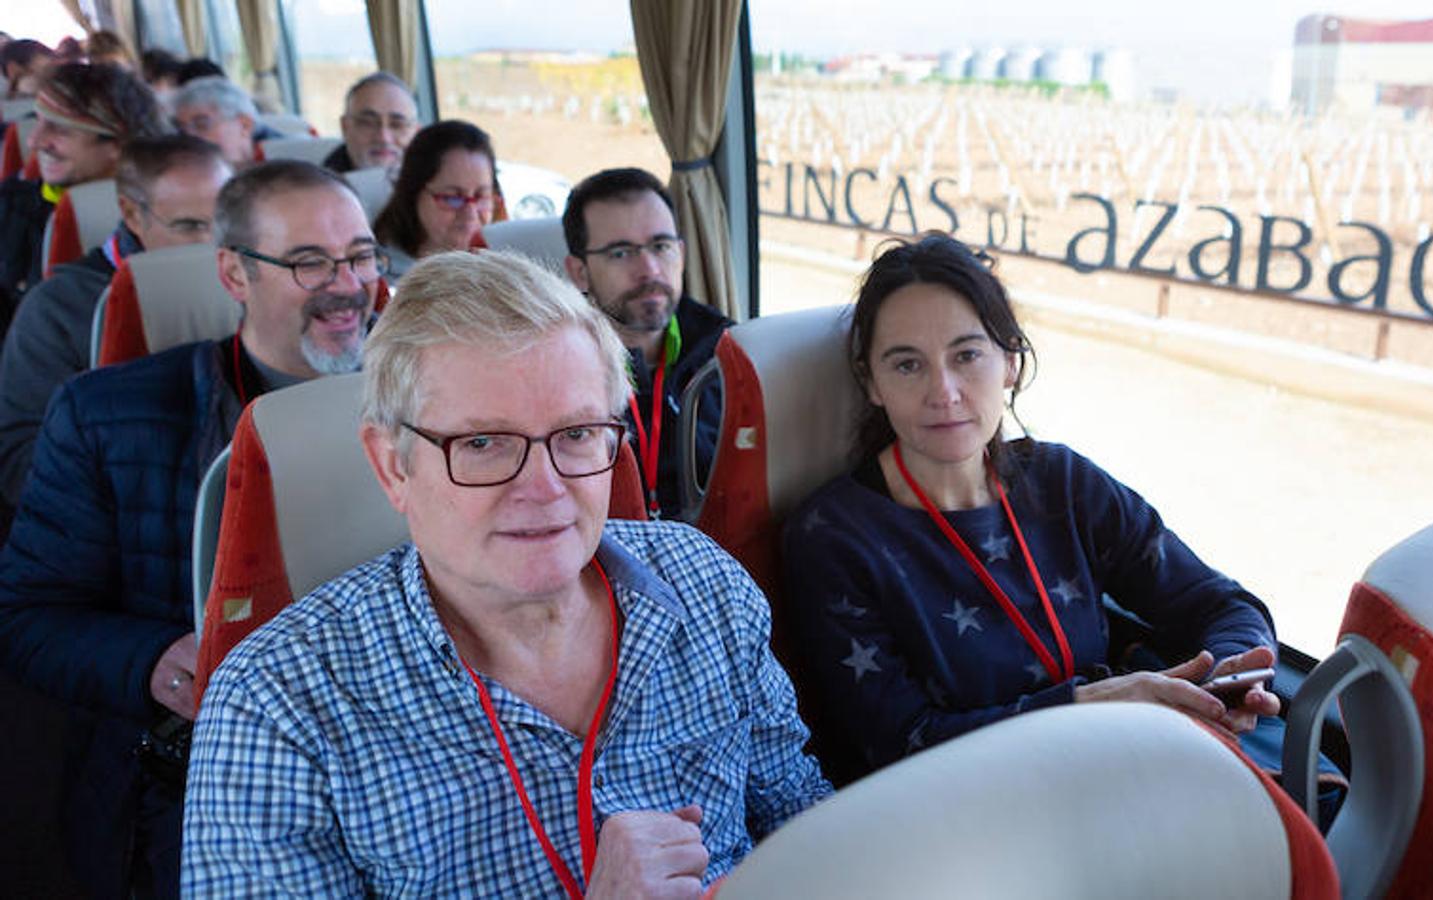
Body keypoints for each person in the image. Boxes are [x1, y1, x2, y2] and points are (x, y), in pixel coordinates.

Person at [182, 249, 831, 895]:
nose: (544, 489)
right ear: (392, 466)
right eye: (483, 443)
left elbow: (802, 822)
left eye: (576, 434)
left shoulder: (705, 586)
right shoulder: (277, 701)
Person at [0, 160, 384, 898]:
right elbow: (26, 617)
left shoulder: (426, 405)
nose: (348, 285)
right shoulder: (107, 416)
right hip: (196, 767)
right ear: (235, 275)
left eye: (361, 255)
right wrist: (151, 659)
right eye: (308, 261)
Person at [781, 234, 1284, 779]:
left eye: (967, 355)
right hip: (973, 811)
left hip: (1121, 762)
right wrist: (1092, 707)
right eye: (907, 365)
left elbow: (1224, 604)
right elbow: (902, 746)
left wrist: (1231, 674)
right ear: (871, 383)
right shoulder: (832, 538)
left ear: (1011, 364)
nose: (944, 391)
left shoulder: (1063, 483)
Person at [0, 134, 231, 533]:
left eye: (226, 226)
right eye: (191, 226)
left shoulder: (253, 285)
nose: (212, 246)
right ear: (132, 214)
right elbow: (18, 465)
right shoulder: (59, 308)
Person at [562, 167, 731, 519]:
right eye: (621, 253)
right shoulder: (555, 367)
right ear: (579, 272)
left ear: (681, 255)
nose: (651, 269)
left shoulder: (728, 352)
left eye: (661, 246)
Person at [0, 62, 169, 329]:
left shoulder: (168, 214)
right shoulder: (9, 207)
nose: (34, 141)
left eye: (59, 129)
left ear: (119, 144)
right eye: (38, 122)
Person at [371, 119, 498, 274]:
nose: (470, 214)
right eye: (452, 198)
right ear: (413, 194)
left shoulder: (505, 265)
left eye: (481, 196)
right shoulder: (378, 275)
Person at [170, 75, 276, 169]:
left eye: (201, 125)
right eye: (182, 130)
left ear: (245, 125)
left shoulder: (280, 162)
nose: (189, 137)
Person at [322, 70, 417, 172]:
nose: (384, 138)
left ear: (416, 133)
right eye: (367, 123)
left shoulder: (433, 180)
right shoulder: (317, 185)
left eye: (397, 125)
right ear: (345, 127)